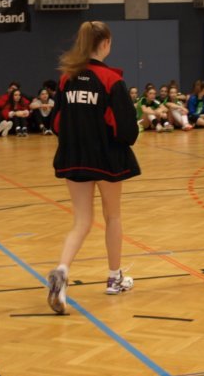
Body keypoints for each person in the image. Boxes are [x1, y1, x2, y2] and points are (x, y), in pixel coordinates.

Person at [46, 21, 140, 315]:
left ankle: (62, 270)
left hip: (74, 156)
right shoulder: (111, 80)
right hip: (107, 158)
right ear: (105, 43)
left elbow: (56, 122)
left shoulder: (67, 80)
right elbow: (126, 129)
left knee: (81, 221)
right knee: (113, 216)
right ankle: (114, 278)